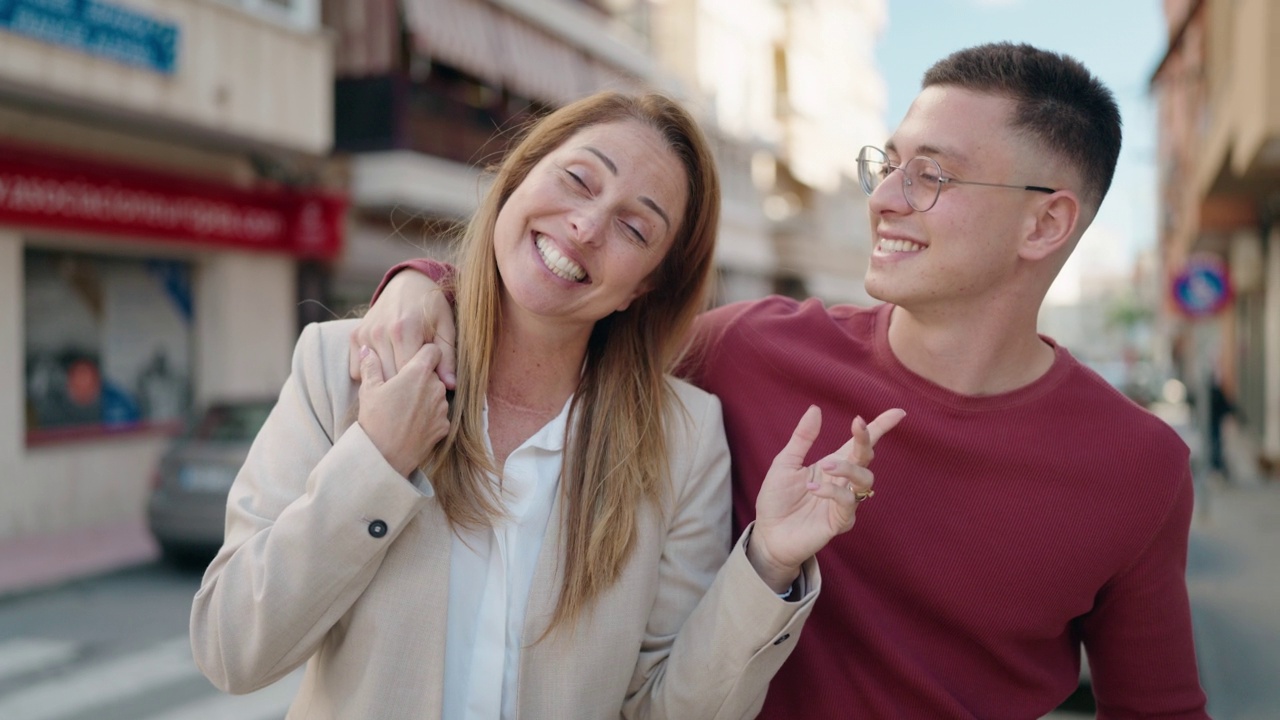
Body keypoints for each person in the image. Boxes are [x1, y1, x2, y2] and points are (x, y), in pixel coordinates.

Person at [355, 43, 1210, 718]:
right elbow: (562, 317)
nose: (886, 198)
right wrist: (430, 283)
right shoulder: (749, 350)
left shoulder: (1139, 468)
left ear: (1046, 222)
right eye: (890, 163)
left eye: (934, 176)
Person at [190, 91, 903, 719]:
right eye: (577, 179)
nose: (588, 225)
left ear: (643, 288)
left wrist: (770, 564)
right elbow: (232, 650)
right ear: (517, 178)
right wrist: (376, 461)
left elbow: (669, 710)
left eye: (636, 228)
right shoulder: (342, 366)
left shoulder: (684, 439)